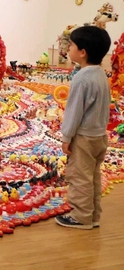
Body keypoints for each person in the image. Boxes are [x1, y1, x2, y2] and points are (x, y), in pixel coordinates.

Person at [56, 25, 112, 230]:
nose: (68, 48)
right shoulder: (101, 74)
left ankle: (81, 216)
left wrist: (66, 137)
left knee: (79, 176)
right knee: (93, 176)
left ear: (82, 52)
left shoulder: (81, 78)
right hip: (99, 136)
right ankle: (93, 215)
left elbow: (74, 112)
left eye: (71, 45)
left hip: (84, 138)